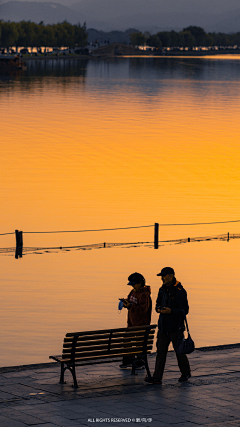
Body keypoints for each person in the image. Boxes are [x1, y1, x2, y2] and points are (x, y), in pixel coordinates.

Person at [145, 267, 191, 384]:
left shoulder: (180, 291)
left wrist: (171, 311)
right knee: (160, 352)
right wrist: (159, 309)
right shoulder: (162, 290)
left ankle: (185, 373)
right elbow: (157, 304)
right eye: (161, 276)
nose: (162, 278)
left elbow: (184, 310)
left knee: (179, 352)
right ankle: (157, 377)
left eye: (164, 276)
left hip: (176, 328)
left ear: (171, 275)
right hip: (163, 328)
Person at [119, 272, 152, 369]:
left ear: (141, 283)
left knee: (139, 344)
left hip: (141, 325)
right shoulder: (133, 292)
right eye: (132, 284)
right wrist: (126, 303)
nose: (133, 286)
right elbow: (131, 303)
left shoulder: (144, 295)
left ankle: (140, 363)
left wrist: (130, 306)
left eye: (134, 284)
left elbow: (143, 310)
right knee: (127, 342)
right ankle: (128, 361)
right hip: (131, 323)